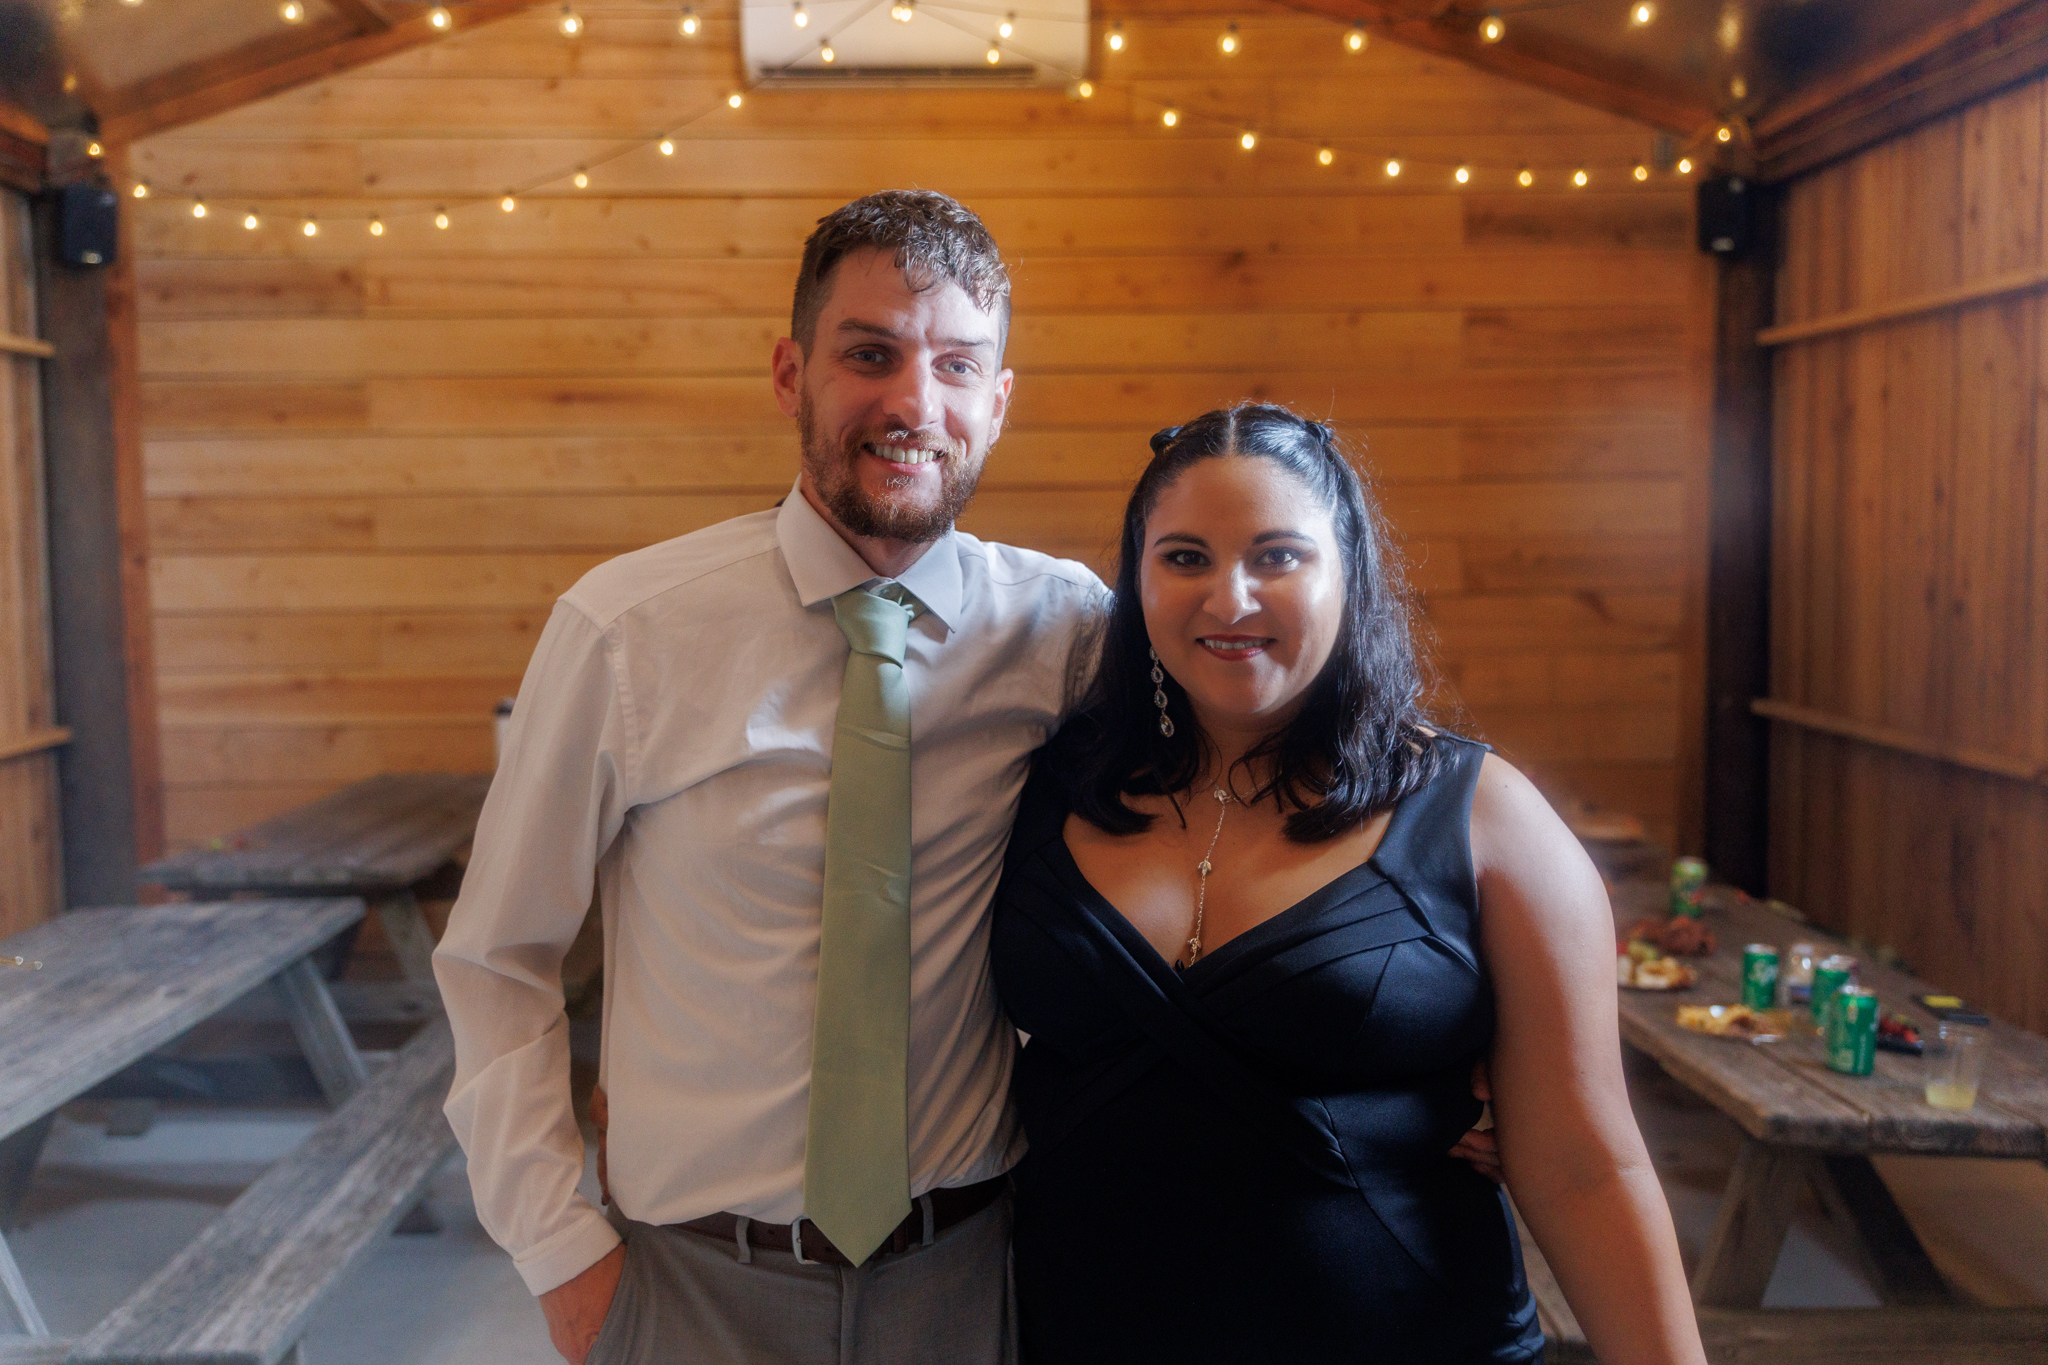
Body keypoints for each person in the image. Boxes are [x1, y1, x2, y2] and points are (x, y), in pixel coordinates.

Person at [441, 191, 1500, 1365]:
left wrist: (1451, 1052)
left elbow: (1273, 751)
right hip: (692, 1283)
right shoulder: (625, 631)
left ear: (996, 402)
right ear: (791, 374)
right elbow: (497, 958)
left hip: (970, 1279)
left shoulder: (1068, 630)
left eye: (954, 365)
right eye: (869, 355)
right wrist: (559, 1254)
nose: (913, 403)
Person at [989, 404, 1708, 1364]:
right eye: (1186, 557)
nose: (1230, 599)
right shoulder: (1044, 780)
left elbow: (1587, 1168)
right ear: (1138, 576)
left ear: (1348, 572)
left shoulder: (1482, 815)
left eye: (1279, 556)